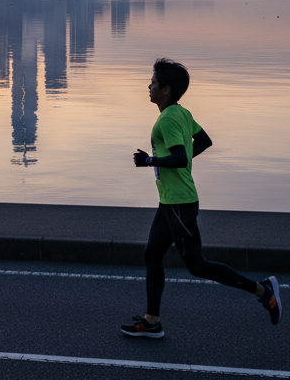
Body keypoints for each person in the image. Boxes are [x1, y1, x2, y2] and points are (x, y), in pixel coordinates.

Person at [120, 58, 281, 338]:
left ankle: (262, 290)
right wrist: (168, 162)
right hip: (170, 201)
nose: (149, 86)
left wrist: (150, 160)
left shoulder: (169, 119)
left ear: (167, 89)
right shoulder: (181, 113)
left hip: (180, 205)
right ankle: (151, 321)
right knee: (152, 254)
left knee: (197, 266)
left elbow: (181, 157)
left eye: (154, 82)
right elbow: (204, 141)